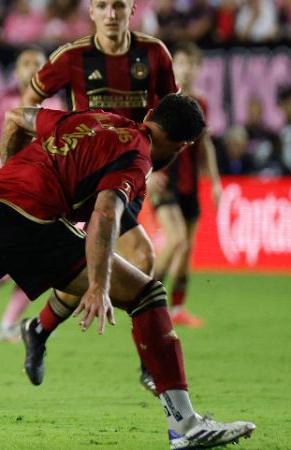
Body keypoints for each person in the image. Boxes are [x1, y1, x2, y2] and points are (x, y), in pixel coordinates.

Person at [0, 94, 256, 450]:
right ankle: (185, 425)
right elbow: (106, 211)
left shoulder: (93, 118)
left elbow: (16, 118)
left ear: (149, 118)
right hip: (29, 222)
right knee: (147, 294)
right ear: (182, 145)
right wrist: (97, 284)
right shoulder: (139, 157)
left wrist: (13, 169)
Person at [18, 0, 177, 394]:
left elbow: (170, 112)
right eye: (103, 5)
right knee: (139, 258)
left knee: (101, 264)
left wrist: (157, 164)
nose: (111, 13)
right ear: (91, 11)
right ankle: (151, 364)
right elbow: (28, 103)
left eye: (118, 5)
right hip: (85, 179)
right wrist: (47, 151)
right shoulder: (71, 57)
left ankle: (38, 329)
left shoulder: (154, 54)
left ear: (132, 9)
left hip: (130, 174)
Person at [0, 47, 62, 341]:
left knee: (36, 263)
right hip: (4, 193)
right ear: (16, 71)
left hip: (42, 193)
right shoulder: (1, 101)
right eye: (25, 63)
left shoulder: (56, 103)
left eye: (37, 63)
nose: (32, 67)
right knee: (20, 263)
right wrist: (8, 151)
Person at [148, 42, 222, 328]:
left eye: (192, 63)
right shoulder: (160, 102)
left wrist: (215, 182)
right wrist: (147, 175)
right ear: (173, 66)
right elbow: (143, 137)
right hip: (165, 181)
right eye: (182, 62)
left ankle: (177, 309)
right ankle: (146, 296)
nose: (187, 68)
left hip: (190, 184)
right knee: (176, 239)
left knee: (187, 248)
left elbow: (205, 145)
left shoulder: (200, 104)